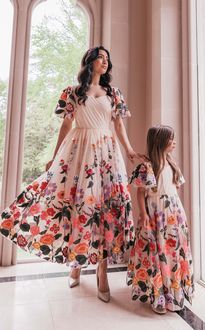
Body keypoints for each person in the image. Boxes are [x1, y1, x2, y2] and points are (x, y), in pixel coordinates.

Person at [0, 46, 139, 303]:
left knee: (105, 210)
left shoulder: (114, 93)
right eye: (101, 58)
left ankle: (102, 271)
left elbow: (119, 124)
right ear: (89, 61)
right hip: (80, 151)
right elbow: (66, 124)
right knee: (79, 206)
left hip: (107, 153)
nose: (106, 62)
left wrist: (129, 151)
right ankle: (77, 263)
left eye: (108, 58)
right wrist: (54, 157)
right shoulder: (73, 92)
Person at [127, 125, 194, 314]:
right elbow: (141, 193)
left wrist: (178, 215)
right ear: (160, 142)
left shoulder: (172, 164)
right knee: (156, 254)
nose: (174, 142)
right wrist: (144, 215)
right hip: (155, 215)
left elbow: (176, 189)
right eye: (170, 139)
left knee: (172, 253)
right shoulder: (147, 167)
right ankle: (158, 294)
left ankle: (173, 293)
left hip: (174, 215)